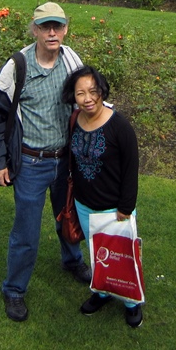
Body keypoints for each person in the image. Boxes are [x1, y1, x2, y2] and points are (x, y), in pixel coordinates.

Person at [0, 2, 90, 322]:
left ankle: (72, 261)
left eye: (58, 26)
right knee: (26, 232)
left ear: (66, 28)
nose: (52, 32)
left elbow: (89, 101)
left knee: (68, 216)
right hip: (31, 164)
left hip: (65, 161)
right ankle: (14, 290)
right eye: (45, 26)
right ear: (35, 30)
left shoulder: (72, 60)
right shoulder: (17, 66)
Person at [62, 65, 143, 328]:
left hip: (114, 209)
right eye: (80, 93)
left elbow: (131, 169)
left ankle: (131, 302)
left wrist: (126, 207)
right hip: (84, 205)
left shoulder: (119, 127)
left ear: (102, 92)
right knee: (97, 253)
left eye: (93, 92)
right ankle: (102, 291)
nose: (87, 99)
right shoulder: (75, 120)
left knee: (122, 257)